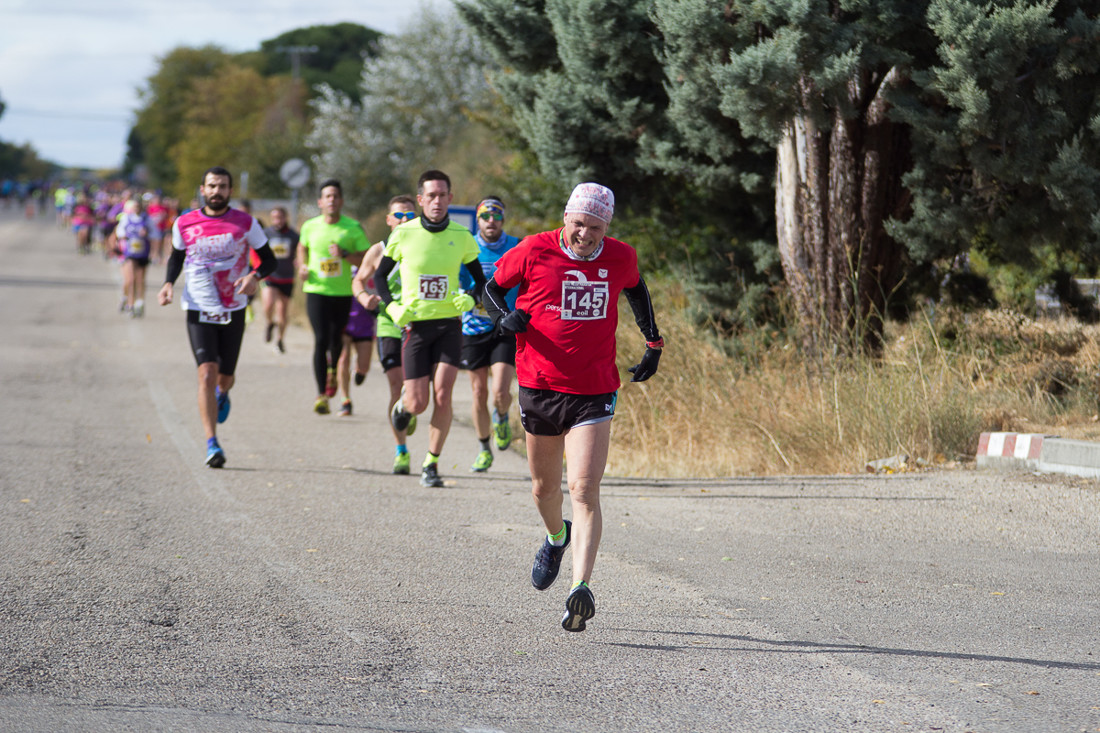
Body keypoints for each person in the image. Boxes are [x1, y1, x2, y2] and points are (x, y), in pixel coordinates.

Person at [484, 182, 663, 632]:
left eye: (595, 227)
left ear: (607, 227)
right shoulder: (533, 250)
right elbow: (490, 288)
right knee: (544, 490)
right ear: (566, 218)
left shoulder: (620, 256)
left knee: (583, 489)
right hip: (540, 384)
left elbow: (637, 289)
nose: (585, 234)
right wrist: (502, 318)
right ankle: (555, 537)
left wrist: (653, 342)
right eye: (579, 224)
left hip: (594, 389)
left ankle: (580, 588)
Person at [374, 170, 488, 488]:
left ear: (450, 198)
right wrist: (392, 307)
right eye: (431, 196)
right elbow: (380, 277)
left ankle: (431, 462)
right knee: (418, 403)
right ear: (421, 200)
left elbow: (480, 280)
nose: (437, 201)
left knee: (443, 394)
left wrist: (470, 298)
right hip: (415, 326)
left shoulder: (461, 236)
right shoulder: (404, 234)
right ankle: (404, 405)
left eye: (442, 195)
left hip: (450, 325)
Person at [158, 166, 277, 468]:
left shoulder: (245, 223)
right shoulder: (185, 222)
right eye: (212, 186)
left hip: (233, 308)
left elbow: (269, 260)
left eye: (222, 186)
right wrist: (169, 283)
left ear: (230, 191)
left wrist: (254, 276)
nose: (216, 191)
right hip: (199, 306)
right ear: (203, 189)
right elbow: (177, 257)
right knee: (206, 373)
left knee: (225, 378)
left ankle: (222, 393)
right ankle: (212, 443)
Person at [351, 195, 419, 472]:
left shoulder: (425, 245)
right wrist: (363, 297)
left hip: (419, 323)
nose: (404, 220)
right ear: (389, 220)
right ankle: (401, 450)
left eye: (409, 215)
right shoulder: (378, 251)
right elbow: (358, 280)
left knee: (414, 387)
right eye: (399, 215)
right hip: (388, 322)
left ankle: (409, 404)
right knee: (395, 383)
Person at [458, 196, 522, 472]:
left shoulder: (517, 246)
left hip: (504, 326)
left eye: (496, 215)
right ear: (478, 220)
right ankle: (484, 448)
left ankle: (502, 416)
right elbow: (456, 281)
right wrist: (464, 296)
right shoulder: (467, 246)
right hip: (474, 327)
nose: (491, 220)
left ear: (503, 219)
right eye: (485, 216)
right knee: (478, 391)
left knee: (499, 391)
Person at [296, 179, 370, 415]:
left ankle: (333, 371)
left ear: (341, 201)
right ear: (320, 202)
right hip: (316, 290)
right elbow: (302, 247)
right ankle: (321, 395)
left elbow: (366, 258)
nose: (332, 200)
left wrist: (345, 254)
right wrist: (302, 265)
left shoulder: (352, 228)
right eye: (327, 196)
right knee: (320, 339)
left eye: (335, 196)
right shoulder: (310, 226)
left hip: (342, 292)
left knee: (336, 340)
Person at [260, 206, 299, 354]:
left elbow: (301, 251)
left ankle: (280, 339)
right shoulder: (266, 233)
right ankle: (270, 322)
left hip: (287, 277)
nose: (278, 221)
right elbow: (258, 251)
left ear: (285, 218)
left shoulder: (293, 236)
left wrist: (299, 261)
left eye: (280, 217)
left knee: (282, 312)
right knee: (268, 304)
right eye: (275, 218)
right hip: (270, 275)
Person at [116, 198, 154, 317]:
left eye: (138, 206)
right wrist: (125, 235)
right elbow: (119, 232)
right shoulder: (126, 218)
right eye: (135, 206)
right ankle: (130, 303)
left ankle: (140, 302)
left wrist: (147, 234)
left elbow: (155, 233)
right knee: (131, 279)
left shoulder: (147, 219)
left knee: (140, 279)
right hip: (130, 253)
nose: (136, 209)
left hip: (143, 253)